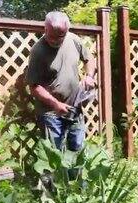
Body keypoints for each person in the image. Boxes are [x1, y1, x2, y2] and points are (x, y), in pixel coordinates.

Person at [26, 11, 97, 152]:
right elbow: (34, 87)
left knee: (77, 150)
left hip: (74, 107)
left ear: (67, 31)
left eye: (60, 37)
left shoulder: (73, 40)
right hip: (50, 112)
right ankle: (53, 175)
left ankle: (76, 175)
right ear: (45, 29)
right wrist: (55, 104)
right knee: (53, 155)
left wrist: (89, 76)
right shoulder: (38, 51)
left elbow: (89, 59)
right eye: (51, 36)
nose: (55, 41)